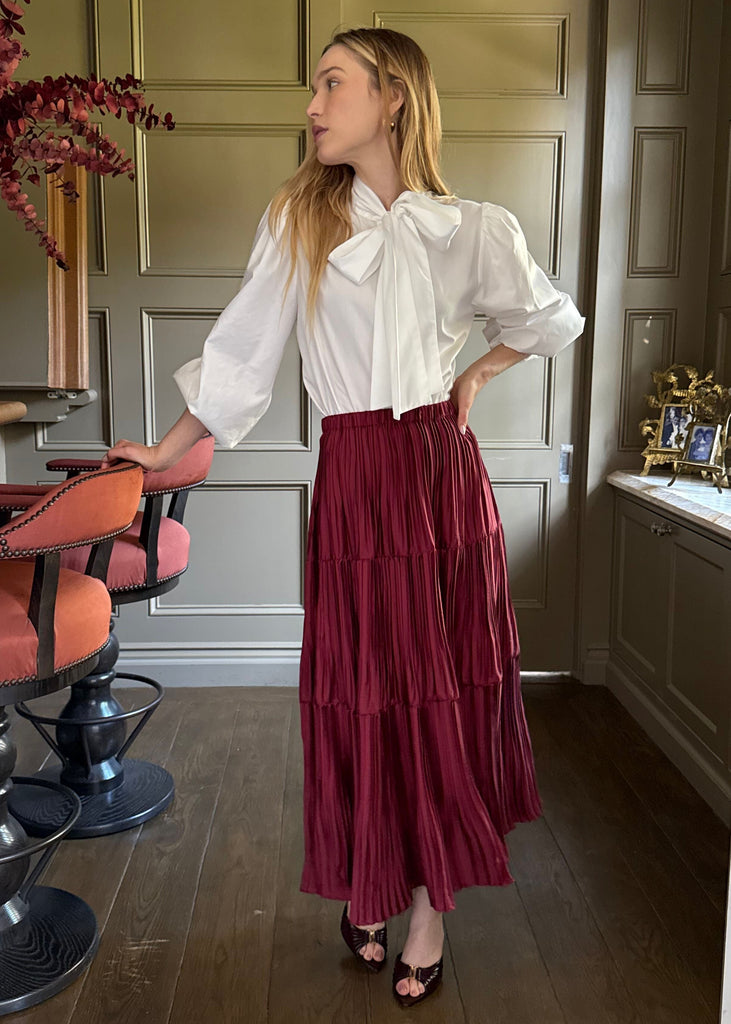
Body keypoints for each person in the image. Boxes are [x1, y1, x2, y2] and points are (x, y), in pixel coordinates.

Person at [104, 27, 586, 1008]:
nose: (313, 105)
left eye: (331, 83)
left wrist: (473, 375)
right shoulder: (301, 220)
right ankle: (370, 871)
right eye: (313, 86)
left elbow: (546, 319)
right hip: (358, 475)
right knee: (365, 690)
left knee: (434, 691)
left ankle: (425, 906)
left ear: (393, 94)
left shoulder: (472, 227)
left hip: (441, 480)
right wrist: (163, 447)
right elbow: (242, 353)